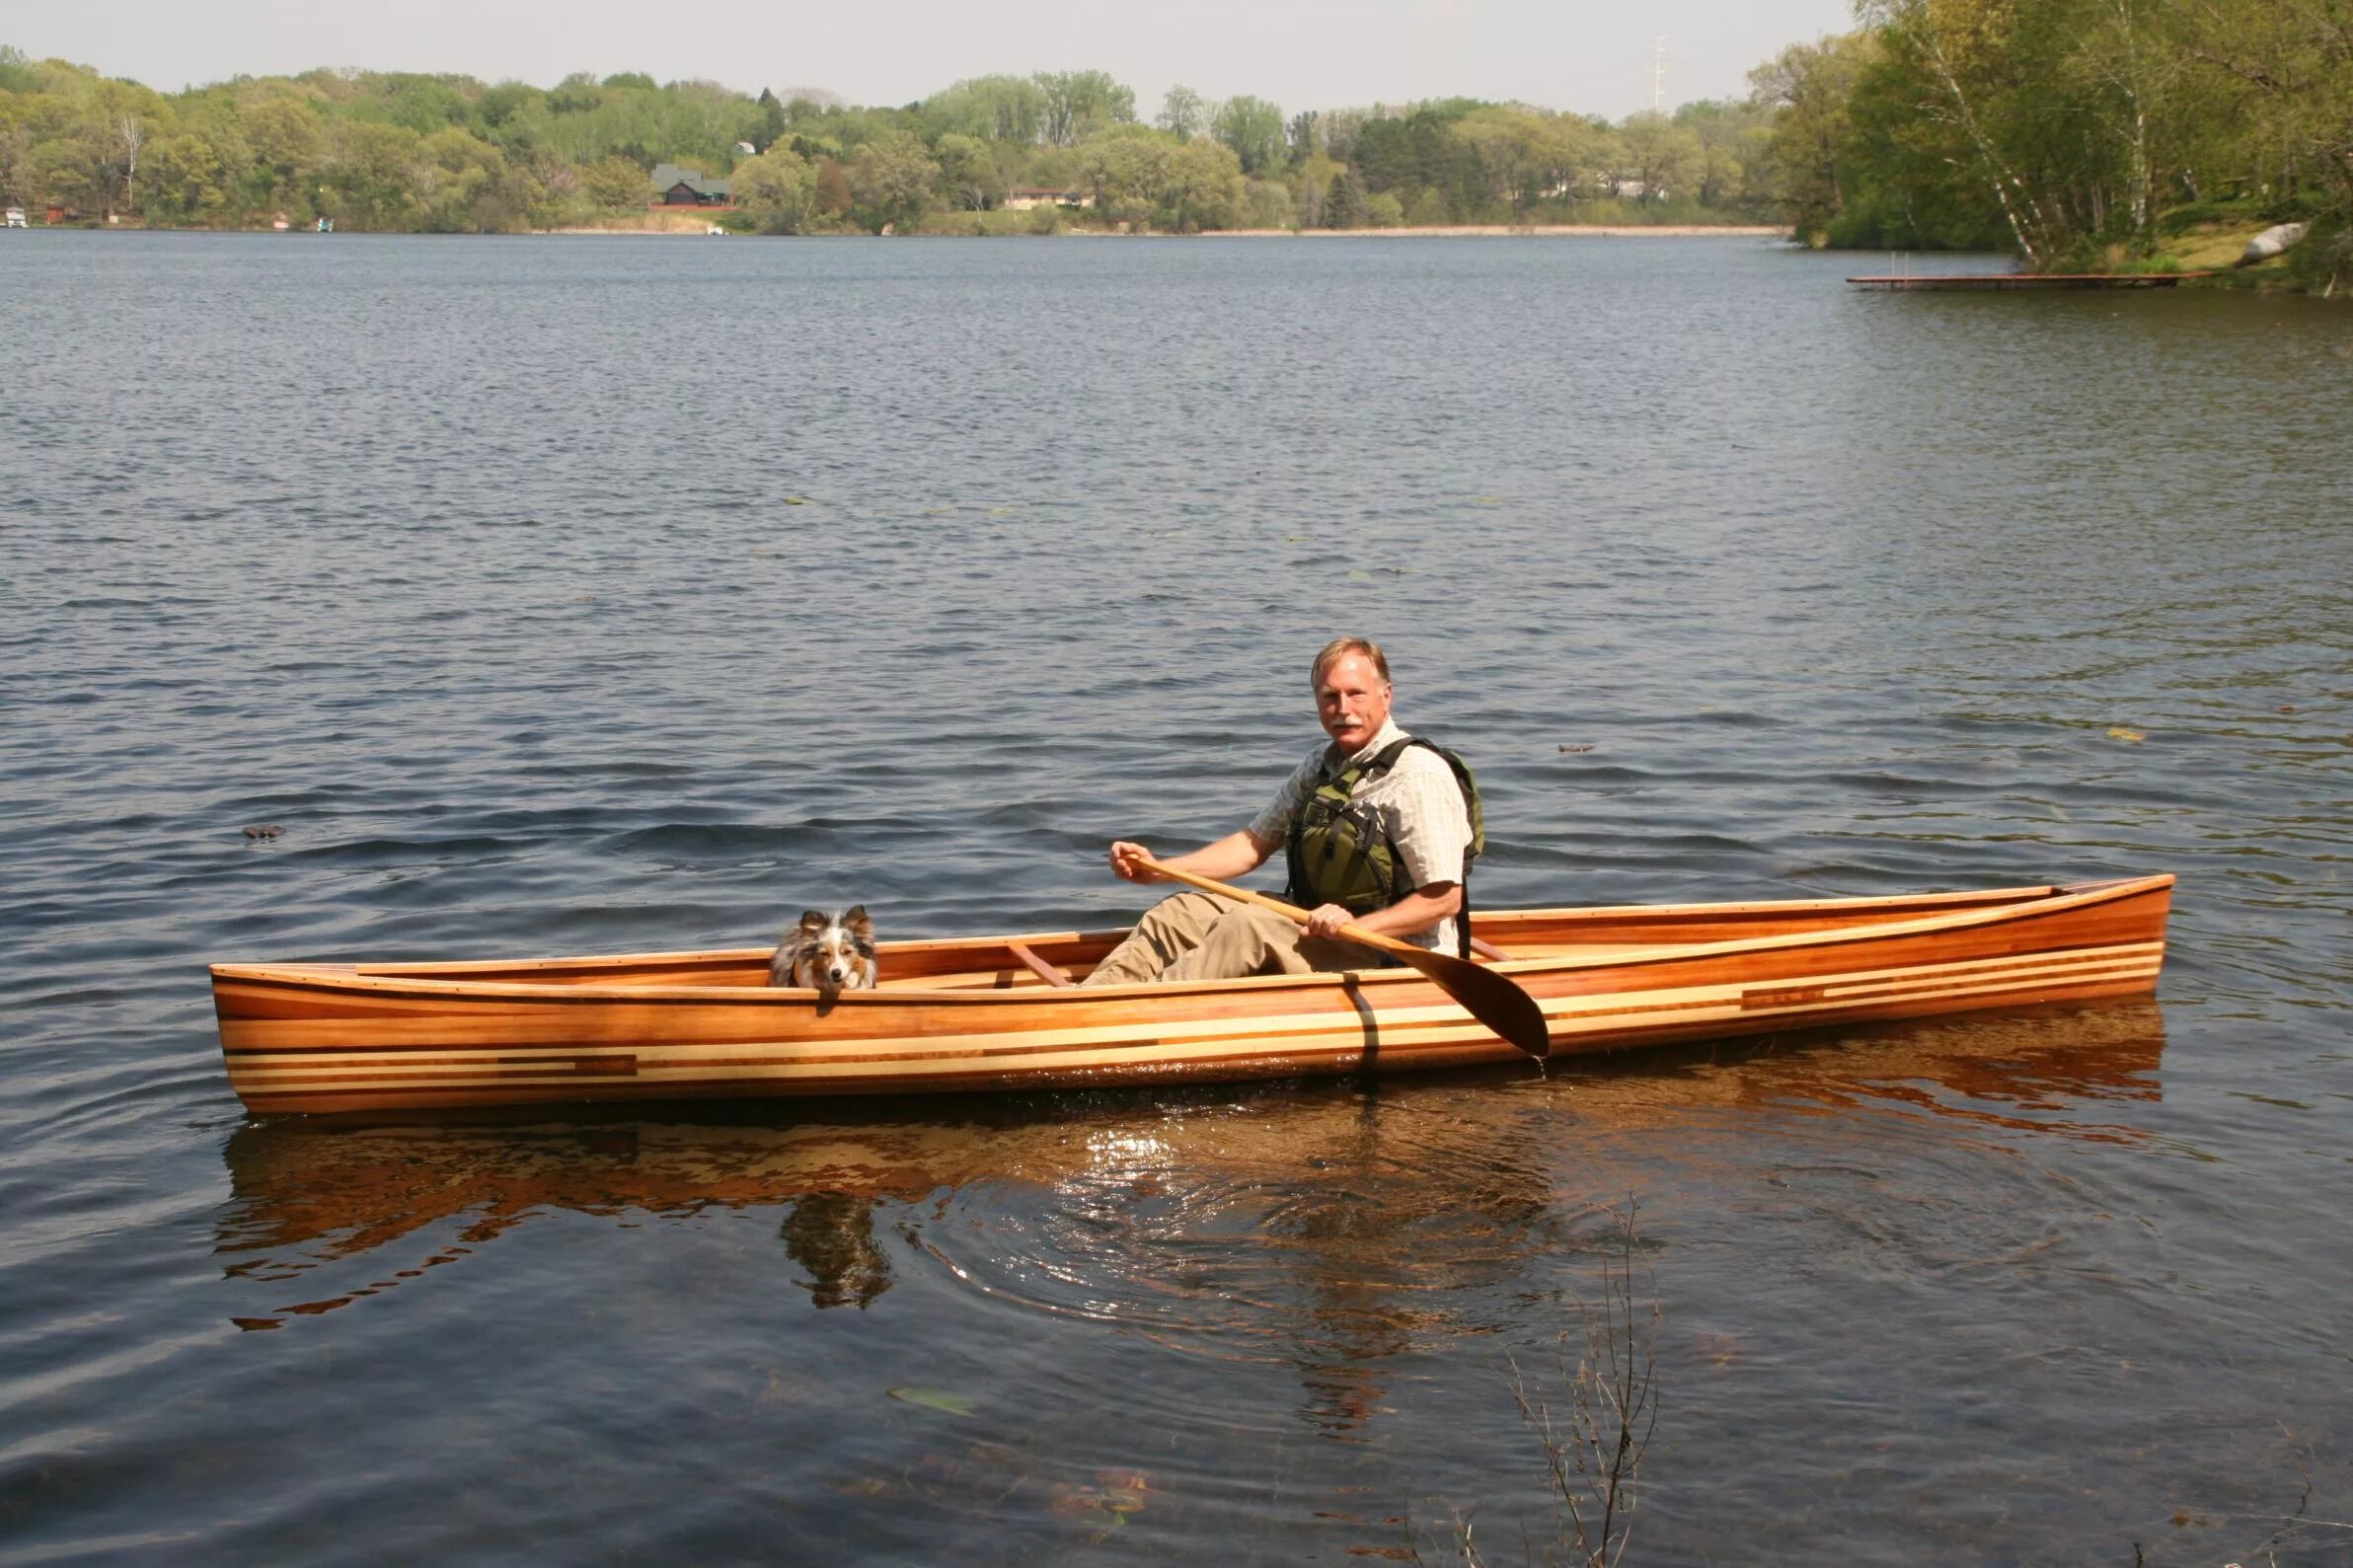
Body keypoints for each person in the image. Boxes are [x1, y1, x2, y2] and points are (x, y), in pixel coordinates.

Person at [1080, 636, 1478, 987]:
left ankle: (1144, 1009)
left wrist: (1354, 928)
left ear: (1386, 695)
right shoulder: (1322, 764)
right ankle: (1093, 999)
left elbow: (1443, 900)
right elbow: (1252, 845)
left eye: (1356, 694)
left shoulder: (1419, 775)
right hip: (1321, 923)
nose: (1342, 709)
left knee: (1249, 926)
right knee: (1180, 911)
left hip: (1393, 952)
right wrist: (1158, 869)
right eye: (1329, 696)